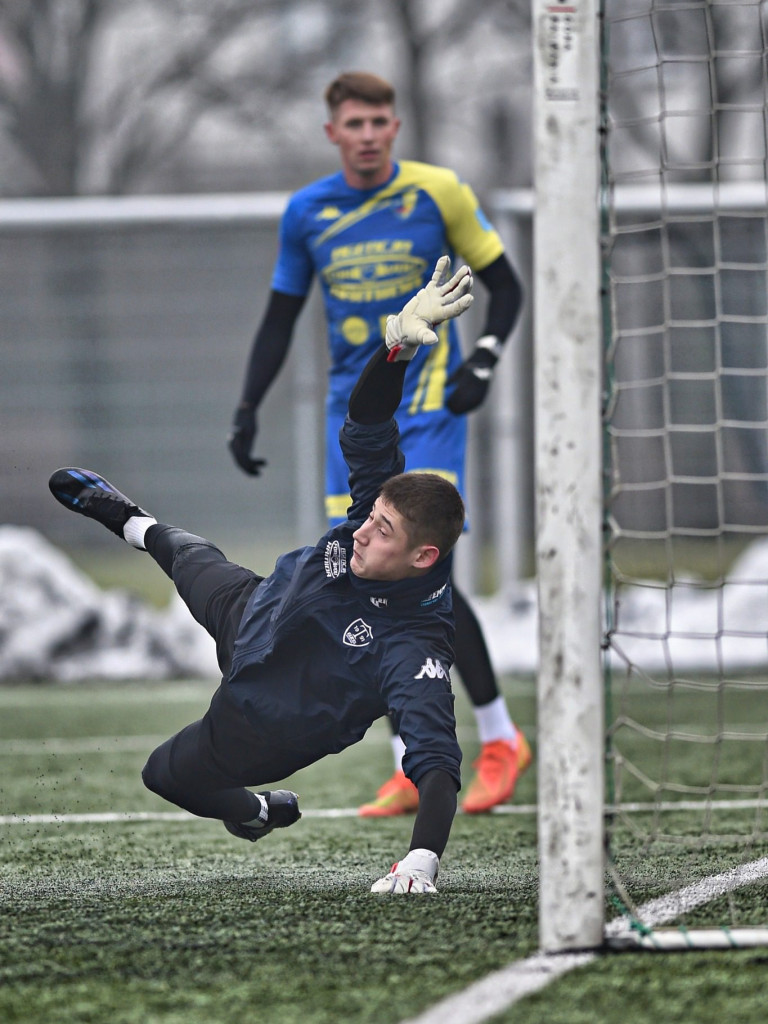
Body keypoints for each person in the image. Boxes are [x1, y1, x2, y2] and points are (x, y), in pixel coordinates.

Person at [49, 258, 474, 894]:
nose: (361, 529)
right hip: (258, 607)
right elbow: (364, 428)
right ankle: (134, 523)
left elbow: (436, 762)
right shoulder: (370, 521)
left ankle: (253, 813)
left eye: (382, 531)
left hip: (264, 721)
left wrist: (421, 861)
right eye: (372, 515)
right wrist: (394, 349)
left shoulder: (413, 643)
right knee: (189, 555)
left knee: (165, 774)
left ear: (424, 559)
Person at [227, 71, 530, 816]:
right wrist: (247, 406)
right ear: (332, 132)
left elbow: (508, 288)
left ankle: (497, 737)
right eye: (354, 123)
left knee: (428, 581)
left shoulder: (440, 193)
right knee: (365, 576)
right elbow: (279, 318)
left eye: (380, 122)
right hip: (356, 421)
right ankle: (407, 760)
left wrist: (484, 359)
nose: (367, 134)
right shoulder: (307, 212)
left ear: (396, 128)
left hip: (426, 413)